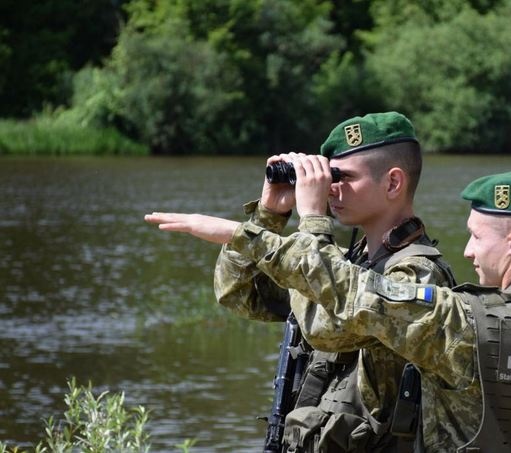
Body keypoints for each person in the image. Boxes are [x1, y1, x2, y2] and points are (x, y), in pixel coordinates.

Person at [149, 169, 511, 452]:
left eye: (475, 239)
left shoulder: (462, 323)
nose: (466, 253)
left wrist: (244, 233)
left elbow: (358, 295)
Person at [146, 112, 456, 452]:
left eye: (342, 177)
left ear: (393, 183)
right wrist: (269, 214)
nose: (330, 188)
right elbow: (237, 293)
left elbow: (328, 326)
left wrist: (311, 219)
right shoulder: (340, 264)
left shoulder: (419, 275)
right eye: (327, 176)